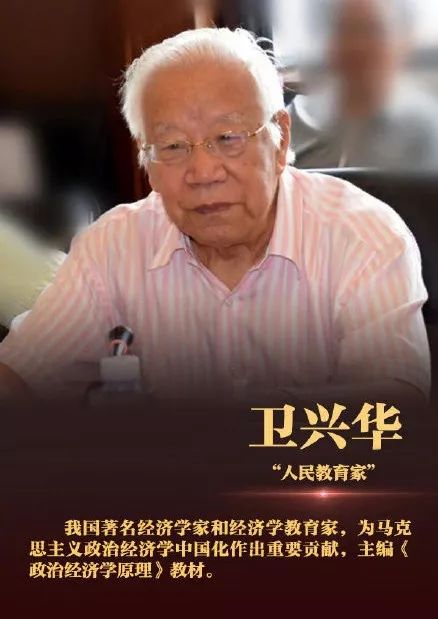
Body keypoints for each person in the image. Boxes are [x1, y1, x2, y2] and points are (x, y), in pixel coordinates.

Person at [0, 27, 430, 401]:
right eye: (173, 146)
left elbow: (392, 407)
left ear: (281, 139)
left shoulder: (363, 235)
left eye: (228, 138)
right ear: (145, 161)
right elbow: (21, 375)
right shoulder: (112, 246)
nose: (203, 172)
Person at [289, 0, 438, 170]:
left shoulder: (426, 130)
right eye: (346, 30)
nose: (358, 46)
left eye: (372, 31)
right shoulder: (295, 120)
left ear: (403, 43)